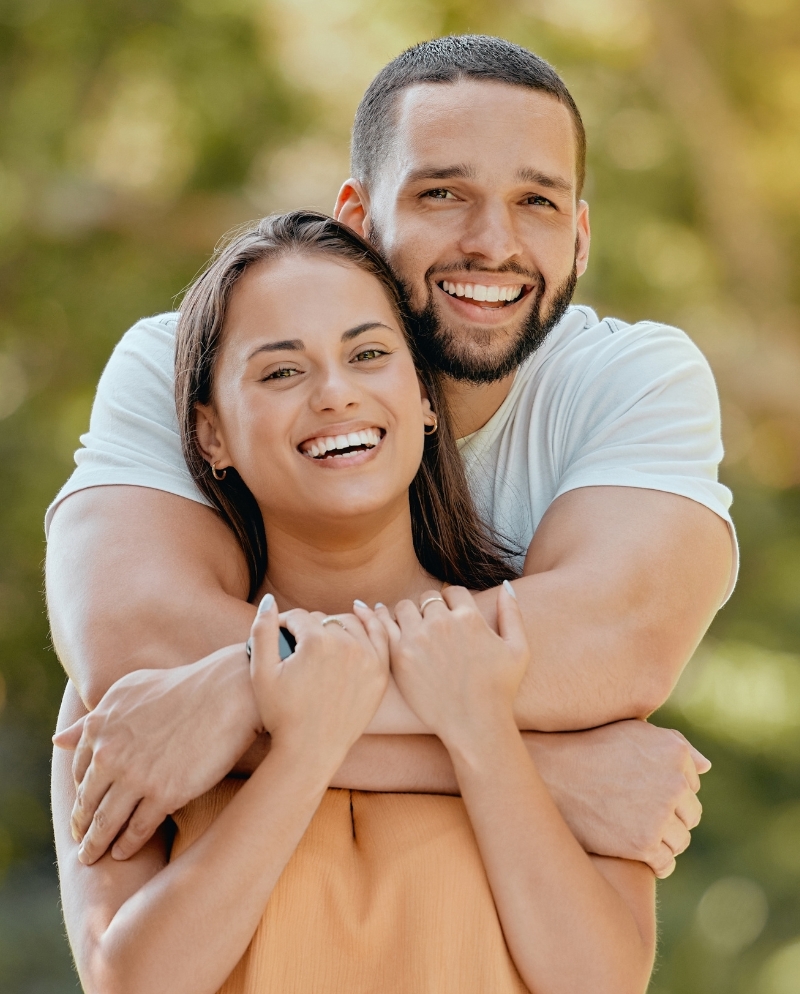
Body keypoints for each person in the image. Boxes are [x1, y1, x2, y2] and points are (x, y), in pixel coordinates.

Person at [47, 36, 731, 876]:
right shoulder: (195, 362)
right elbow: (132, 640)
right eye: (444, 193)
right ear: (360, 220)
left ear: (581, 237)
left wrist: (238, 687)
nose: (493, 242)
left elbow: (611, 646)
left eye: (538, 202)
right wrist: (526, 770)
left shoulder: (630, 381)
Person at [53, 211, 656, 994]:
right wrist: (301, 752)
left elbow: (600, 983)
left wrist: (483, 734)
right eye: (280, 372)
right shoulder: (138, 696)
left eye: (369, 354)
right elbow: (132, 983)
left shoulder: (541, 672)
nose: (335, 394)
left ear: (425, 396)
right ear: (212, 436)